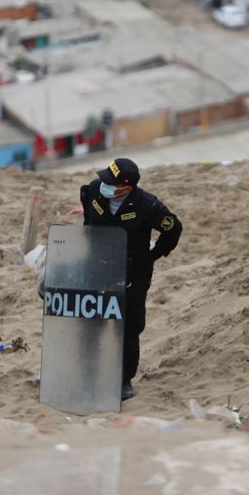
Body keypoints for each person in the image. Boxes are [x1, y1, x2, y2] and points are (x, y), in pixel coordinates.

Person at [80, 158, 182, 401]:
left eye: (111, 183)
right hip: (100, 265)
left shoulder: (147, 206)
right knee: (92, 320)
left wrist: (153, 255)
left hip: (133, 272)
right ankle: (89, 372)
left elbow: (173, 228)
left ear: (126, 188)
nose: (103, 184)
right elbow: (87, 215)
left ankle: (124, 379)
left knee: (128, 325)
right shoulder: (93, 191)